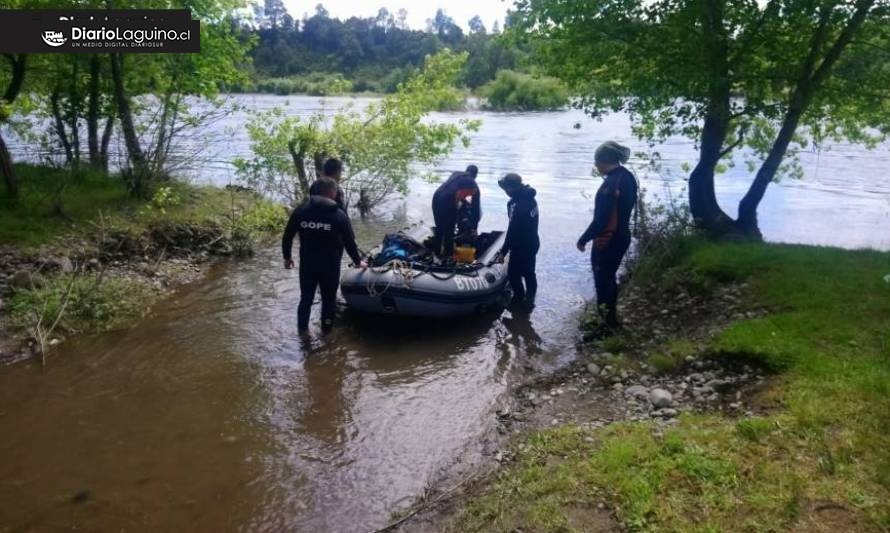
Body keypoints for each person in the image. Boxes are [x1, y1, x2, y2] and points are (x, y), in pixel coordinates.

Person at [282, 177, 366, 333]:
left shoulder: (301, 210)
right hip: (330, 266)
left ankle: (302, 333)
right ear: (330, 193)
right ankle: (326, 334)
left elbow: (287, 236)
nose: (336, 194)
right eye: (334, 191)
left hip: (308, 265)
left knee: (306, 299)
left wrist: (287, 257)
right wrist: (358, 261)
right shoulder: (339, 215)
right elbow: (349, 242)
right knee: (328, 300)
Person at [576, 141, 638, 333]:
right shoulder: (627, 177)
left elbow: (602, 219)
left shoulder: (609, 185)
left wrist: (584, 238)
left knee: (602, 281)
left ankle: (605, 328)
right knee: (609, 279)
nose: (596, 166)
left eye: (596, 162)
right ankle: (610, 320)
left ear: (604, 161)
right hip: (622, 235)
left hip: (608, 238)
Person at [496, 173, 540, 306]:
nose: (505, 192)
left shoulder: (518, 206)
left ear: (510, 189)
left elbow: (513, 231)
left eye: (505, 189)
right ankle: (530, 299)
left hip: (521, 245)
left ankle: (519, 299)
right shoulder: (529, 197)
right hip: (533, 242)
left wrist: (503, 251)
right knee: (529, 272)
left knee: (513, 275)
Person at [431, 165, 481, 260]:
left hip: (436, 197)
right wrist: (474, 227)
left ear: (466, 171)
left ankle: (436, 254)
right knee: (449, 230)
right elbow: (476, 209)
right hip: (448, 201)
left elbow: (452, 190)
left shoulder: (456, 174)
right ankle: (447, 257)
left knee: (439, 228)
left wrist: (464, 201)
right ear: (475, 175)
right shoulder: (474, 186)